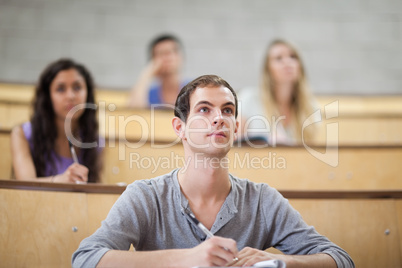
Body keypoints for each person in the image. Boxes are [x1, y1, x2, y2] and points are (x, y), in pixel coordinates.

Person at [72, 75, 354, 267]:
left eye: (228, 110)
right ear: (180, 128)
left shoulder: (263, 200)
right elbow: (85, 258)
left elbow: (340, 259)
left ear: (235, 127)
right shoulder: (146, 196)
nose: (219, 118)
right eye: (204, 110)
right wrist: (186, 259)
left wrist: (280, 262)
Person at [11, 58, 102, 183]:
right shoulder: (21, 134)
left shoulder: (95, 140)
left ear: (88, 94)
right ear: (48, 97)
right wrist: (61, 180)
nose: (71, 96)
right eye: (60, 89)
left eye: (77, 87)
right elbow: (25, 185)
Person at [239, 39, 318, 146]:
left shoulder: (309, 107)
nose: (287, 62)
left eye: (293, 57)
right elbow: (235, 146)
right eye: (278, 58)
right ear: (268, 69)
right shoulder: (249, 98)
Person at [128, 34, 188, 108]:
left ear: (181, 57)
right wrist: (146, 74)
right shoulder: (149, 93)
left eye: (172, 51)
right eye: (161, 53)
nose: (168, 58)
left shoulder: (194, 89)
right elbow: (134, 112)